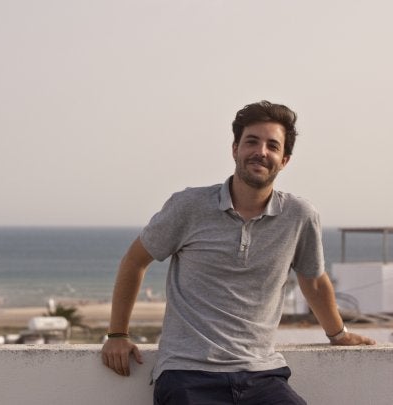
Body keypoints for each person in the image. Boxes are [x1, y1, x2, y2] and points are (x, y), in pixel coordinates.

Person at [100, 101, 376, 404]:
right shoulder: (188, 206)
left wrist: (338, 335)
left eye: (272, 145)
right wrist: (117, 335)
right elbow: (135, 261)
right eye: (252, 141)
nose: (261, 151)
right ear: (235, 149)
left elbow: (313, 281)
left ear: (284, 160)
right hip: (187, 372)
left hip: (262, 373)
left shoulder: (299, 215)